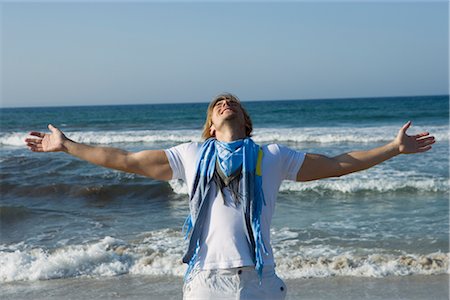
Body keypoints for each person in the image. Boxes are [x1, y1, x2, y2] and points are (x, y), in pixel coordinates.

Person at [25, 93, 435, 300]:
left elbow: (336, 164)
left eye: (233, 102)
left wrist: (392, 149)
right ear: (210, 124)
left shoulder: (271, 157)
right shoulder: (190, 155)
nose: (226, 102)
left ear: (245, 119)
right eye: (218, 104)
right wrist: (68, 146)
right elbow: (127, 159)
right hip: (205, 280)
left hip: (260, 279)